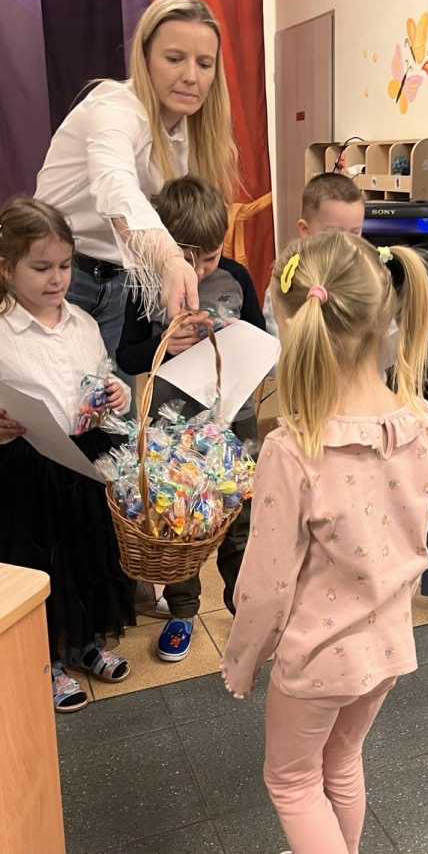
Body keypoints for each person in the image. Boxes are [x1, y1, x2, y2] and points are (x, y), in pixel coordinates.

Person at [220, 231, 428, 854]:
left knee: (291, 783)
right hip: (387, 645)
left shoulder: (292, 449)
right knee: (341, 763)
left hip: (317, 659)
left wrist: (243, 659)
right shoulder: (418, 422)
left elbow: (266, 584)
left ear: (292, 326)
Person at [35, 0, 240, 376]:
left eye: (204, 63)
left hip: (120, 285)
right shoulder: (112, 108)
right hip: (59, 279)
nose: (191, 76)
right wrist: (169, 259)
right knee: (57, 403)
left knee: (116, 406)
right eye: (174, 58)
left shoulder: (189, 130)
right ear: (144, 58)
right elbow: (116, 187)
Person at [116, 175, 266, 661]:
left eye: (210, 257)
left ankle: (245, 609)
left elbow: (262, 338)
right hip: (174, 428)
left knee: (238, 520)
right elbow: (127, 355)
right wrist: (165, 347)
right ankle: (182, 610)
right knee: (182, 522)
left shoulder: (237, 277)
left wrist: (236, 336)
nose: (200, 271)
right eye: (188, 259)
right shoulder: (146, 284)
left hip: (234, 418)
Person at [0, 197, 135, 713]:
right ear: (7, 268)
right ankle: (48, 659)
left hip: (85, 457)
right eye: (41, 268)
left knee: (87, 552)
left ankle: (86, 642)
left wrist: (116, 392)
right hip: (27, 467)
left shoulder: (81, 321)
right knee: (42, 559)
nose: (56, 279)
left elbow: (100, 373)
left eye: (64, 265)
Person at [263, 172, 365, 337]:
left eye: (354, 233)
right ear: (305, 230)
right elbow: (278, 346)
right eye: (333, 233)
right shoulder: (286, 284)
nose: (346, 243)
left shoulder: (367, 278)